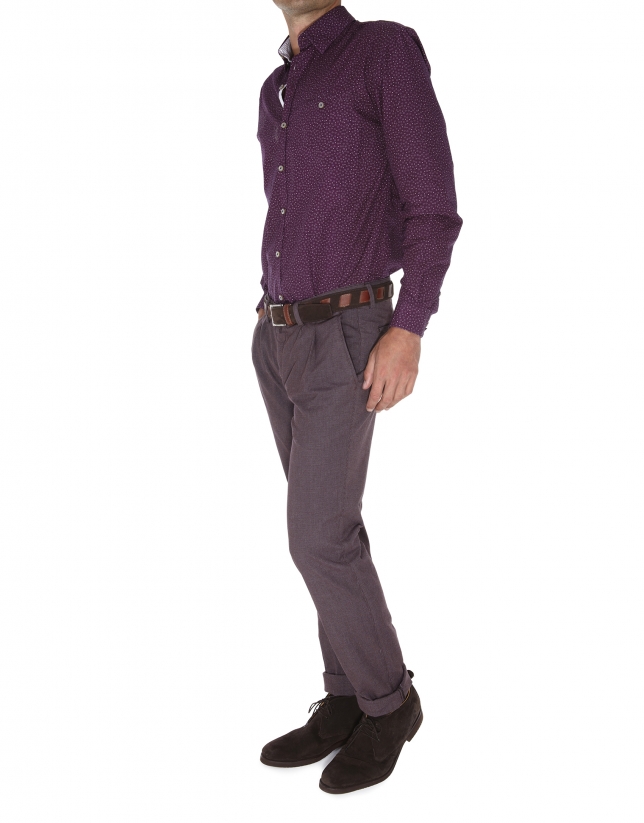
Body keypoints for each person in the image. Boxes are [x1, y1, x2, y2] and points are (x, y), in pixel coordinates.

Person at [251, 0, 462, 794]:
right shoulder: (277, 86)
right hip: (279, 335)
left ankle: (390, 700)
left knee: (317, 536)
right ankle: (344, 696)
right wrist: (268, 321)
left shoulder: (383, 51)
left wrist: (409, 326)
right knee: (331, 528)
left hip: (349, 330)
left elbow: (432, 204)